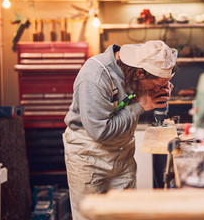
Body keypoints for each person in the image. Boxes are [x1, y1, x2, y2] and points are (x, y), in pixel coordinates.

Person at [62, 40, 177, 220]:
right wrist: (141, 105)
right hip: (89, 157)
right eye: (157, 84)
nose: (158, 88)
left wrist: (161, 86)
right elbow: (101, 132)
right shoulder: (95, 77)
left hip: (122, 156)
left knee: (125, 215)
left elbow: (165, 60)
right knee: (91, 216)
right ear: (139, 73)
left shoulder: (142, 58)